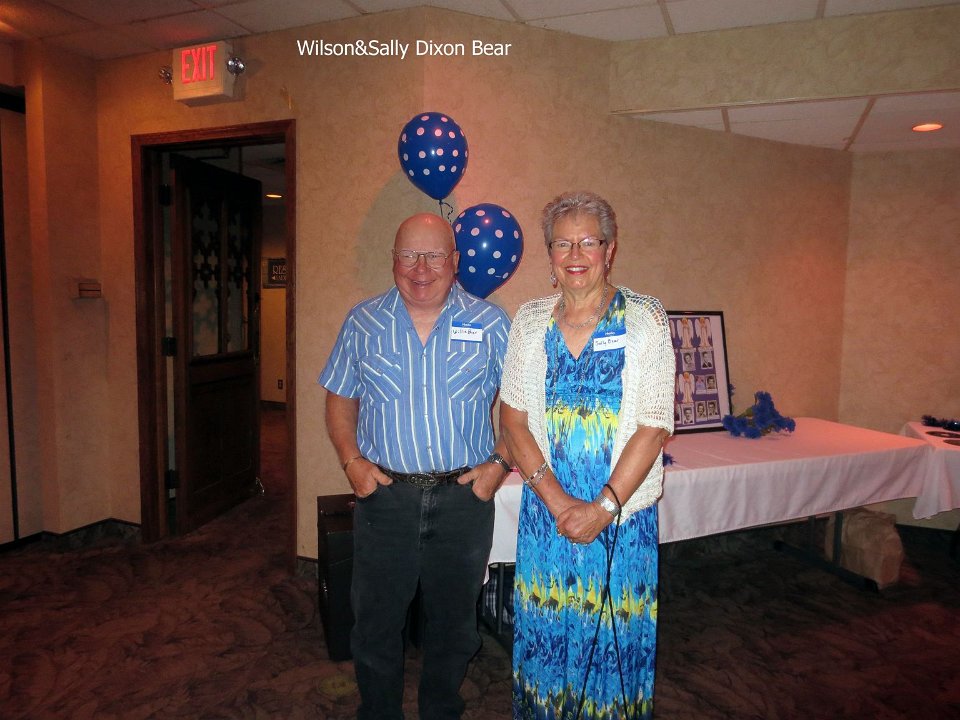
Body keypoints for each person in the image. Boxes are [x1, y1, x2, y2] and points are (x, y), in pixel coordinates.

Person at [319, 213, 512, 720]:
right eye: (408, 255)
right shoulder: (362, 322)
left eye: (433, 255)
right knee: (375, 624)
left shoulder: (492, 323)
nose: (420, 268)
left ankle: (441, 710)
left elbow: (522, 407)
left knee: (454, 626)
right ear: (393, 260)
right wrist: (351, 462)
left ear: (455, 260)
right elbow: (339, 399)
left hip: (464, 500)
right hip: (386, 499)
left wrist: (498, 465)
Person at [500, 191, 675, 720]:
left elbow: (654, 426)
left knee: (612, 650)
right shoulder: (530, 322)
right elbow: (513, 422)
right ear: (550, 255)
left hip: (620, 521)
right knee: (547, 639)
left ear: (609, 249)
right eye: (562, 243)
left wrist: (602, 508)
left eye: (588, 242)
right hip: (547, 518)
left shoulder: (644, 319)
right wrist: (559, 505)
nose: (575, 254)